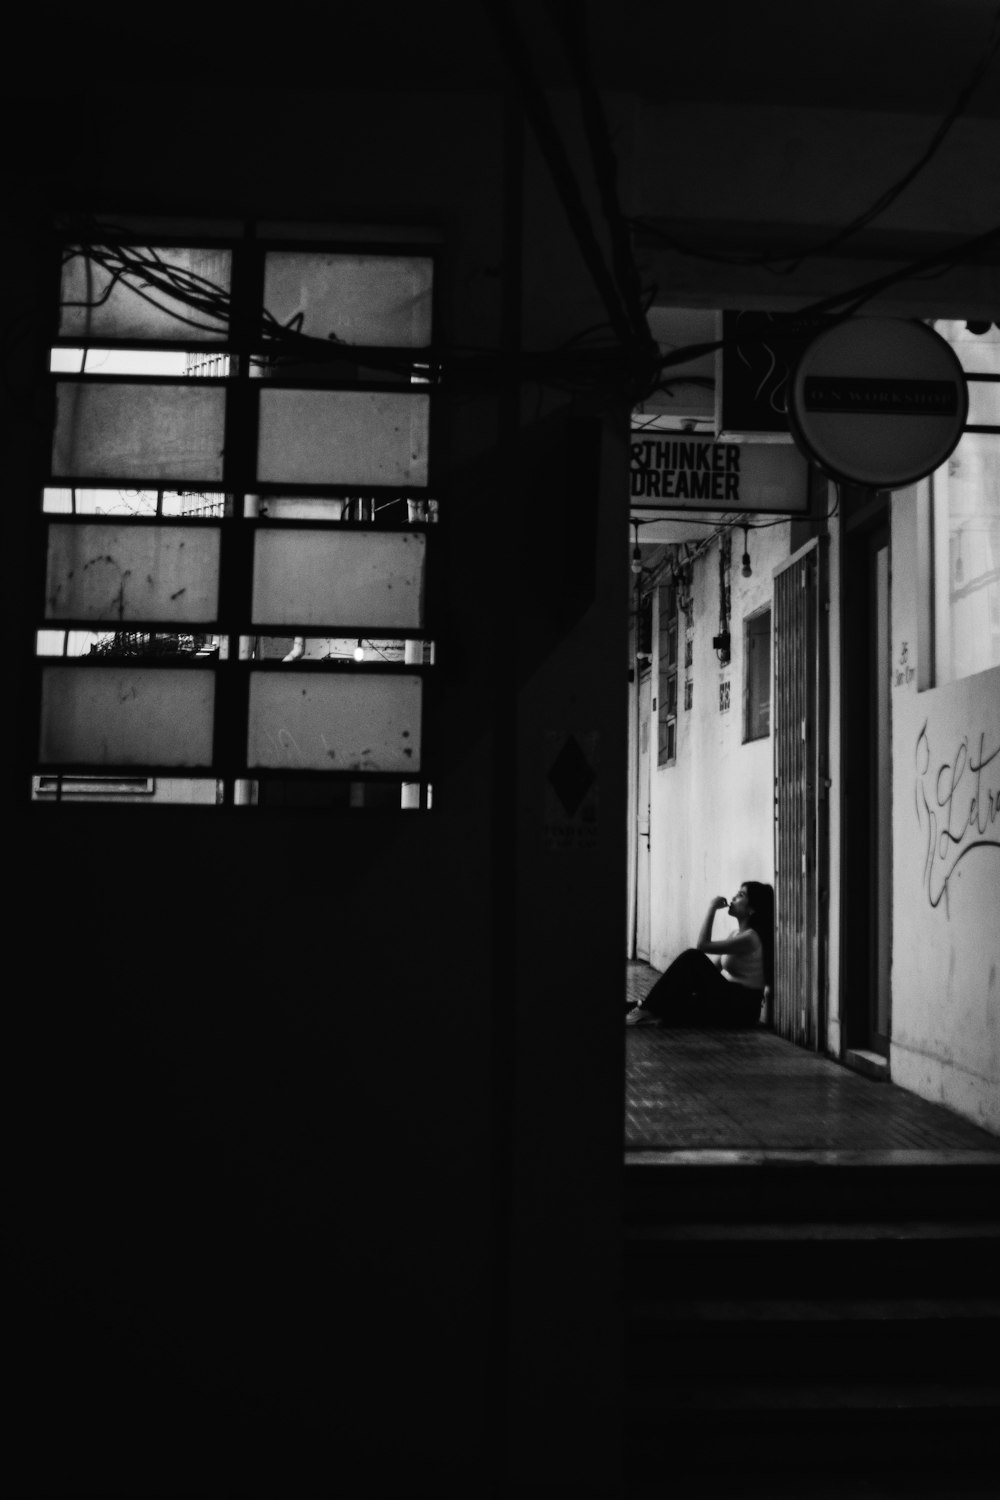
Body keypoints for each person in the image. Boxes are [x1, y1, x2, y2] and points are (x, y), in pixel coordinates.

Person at [626, 881, 773, 1028]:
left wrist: (712, 908)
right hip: (729, 999)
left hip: (741, 1007)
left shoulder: (750, 938)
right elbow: (711, 969)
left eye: (741, 895)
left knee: (692, 957)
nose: (733, 897)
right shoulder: (736, 934)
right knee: (675, 1001)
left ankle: (645, 1010)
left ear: (752, 910)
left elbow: (702, 946)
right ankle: (645, 1008)